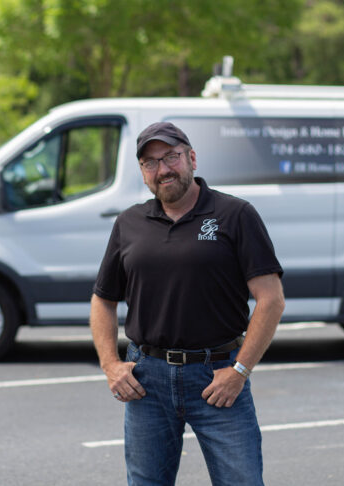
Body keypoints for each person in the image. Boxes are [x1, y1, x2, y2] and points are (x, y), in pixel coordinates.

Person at [89, 121, 285, 486]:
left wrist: (240, 371)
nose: (162, 169)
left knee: (241, 480)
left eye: (171, 157)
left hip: (218, 376)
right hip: (146, 379)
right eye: (150, 162)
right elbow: (103, 300)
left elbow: (271, 299)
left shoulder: (235, 215)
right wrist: (111, 365)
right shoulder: (129, 222)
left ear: (191, 158)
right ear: (143, 173)